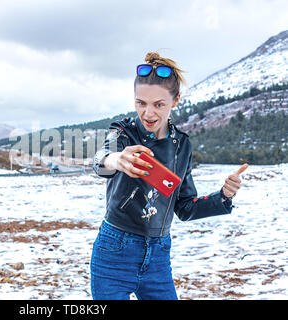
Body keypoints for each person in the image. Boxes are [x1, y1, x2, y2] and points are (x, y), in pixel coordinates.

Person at [90, 51, 248, 300]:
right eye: (141, 103)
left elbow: (185, 207)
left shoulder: (182, 145)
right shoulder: (123, 132)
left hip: (158, 256)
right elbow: (100, 161)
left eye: (158, 105)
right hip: (114, 251)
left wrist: (223, 197)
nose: (148, 113)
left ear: (175, 101)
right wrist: (117, 159)